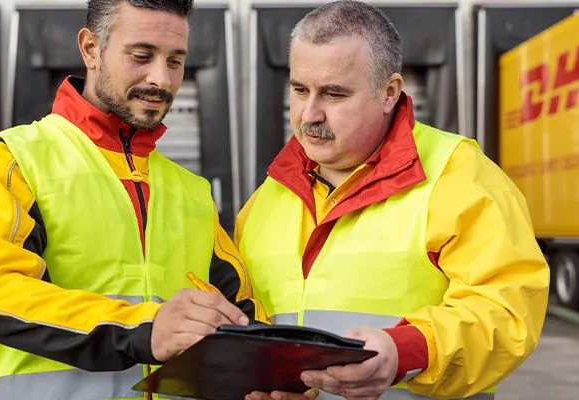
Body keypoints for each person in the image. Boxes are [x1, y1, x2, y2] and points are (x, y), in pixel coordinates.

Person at [235, 1, 550, 399]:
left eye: (333, 94)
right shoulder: (268, 197)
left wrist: (405, 353)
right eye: (300, 90)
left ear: (389, 93)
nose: (309, 114)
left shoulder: (459, 176)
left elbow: (506, 314)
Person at [0, 1, 267, 399]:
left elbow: (243, 309)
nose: (161, 78)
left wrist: (282, 370)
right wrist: (144, 329)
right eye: (142, 56)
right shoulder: (11, 159)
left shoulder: (191, 189)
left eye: (175, 61)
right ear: (90, 49)